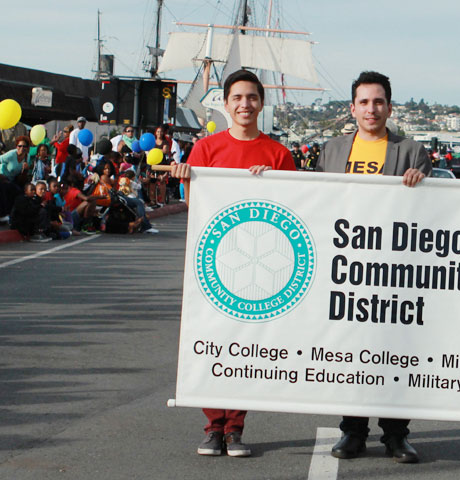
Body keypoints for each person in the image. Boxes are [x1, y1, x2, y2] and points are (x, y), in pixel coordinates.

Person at [171, 69, 296, 458]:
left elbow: (294, 210)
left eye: (252, 97)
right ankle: (213, 427)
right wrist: (186, 179)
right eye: (237, 98)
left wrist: (272, 182)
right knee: (212, 341)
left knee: (247, 344)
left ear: (261, 103)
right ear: (226, 104)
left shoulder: (279, 154)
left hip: (264, 262)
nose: (245, 104)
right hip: (216, 260)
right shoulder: (206, 149)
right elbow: (196, 205)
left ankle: (236, 428)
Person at [316, 71, 430, 464]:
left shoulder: (411, 152)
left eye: (378, 102)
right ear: (352, 108)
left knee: (397, 352)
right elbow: (312, 201)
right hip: (347, 268)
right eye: (364, 102)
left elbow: (435, 210)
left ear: (389, 107)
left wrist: (424, 182)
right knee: (354, 351)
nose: (371, 109)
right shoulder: (331, 151)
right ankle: (353, 430)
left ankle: (397, 435)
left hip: (396, 269)